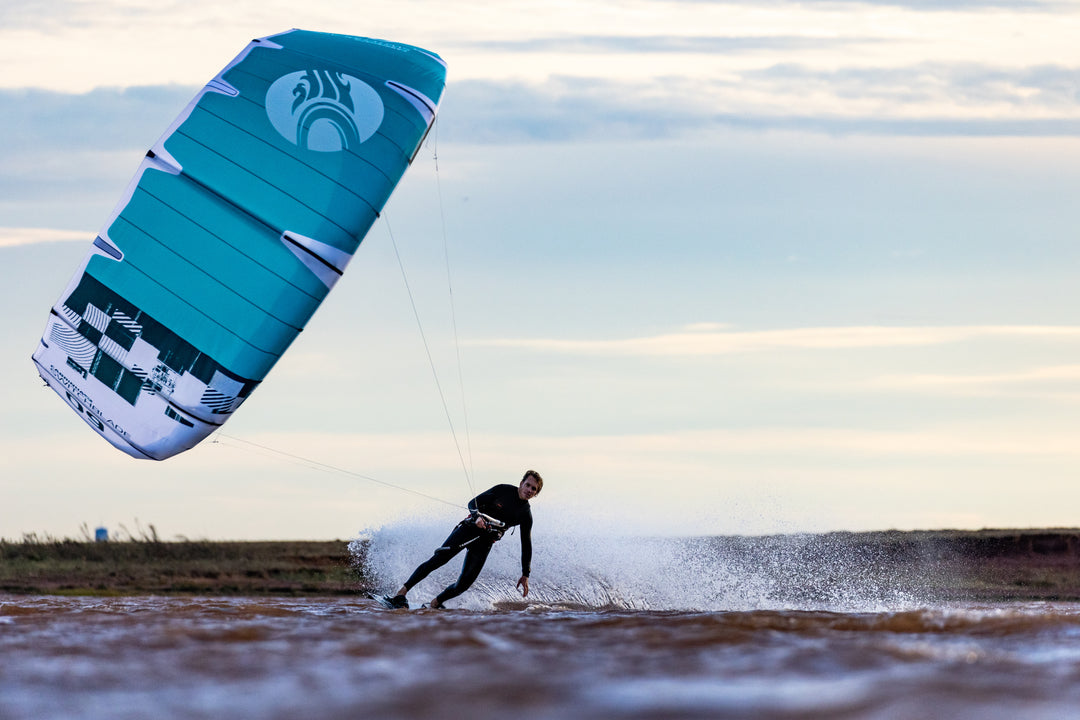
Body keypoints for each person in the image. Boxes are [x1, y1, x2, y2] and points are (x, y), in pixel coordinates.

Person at [382, 470, 543, 609]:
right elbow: (473, 502)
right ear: (521, 483)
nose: (529, 490)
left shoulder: (526, 514)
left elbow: (526, 544)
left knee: (463, 585)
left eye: (533, 489)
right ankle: (401, 593)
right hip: (469, 529)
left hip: (485, 543)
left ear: (536, 494)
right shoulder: (503, 490)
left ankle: (436, 603)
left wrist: (525, 574)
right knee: (439, 559)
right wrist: (477, 517)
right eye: (528, 485)